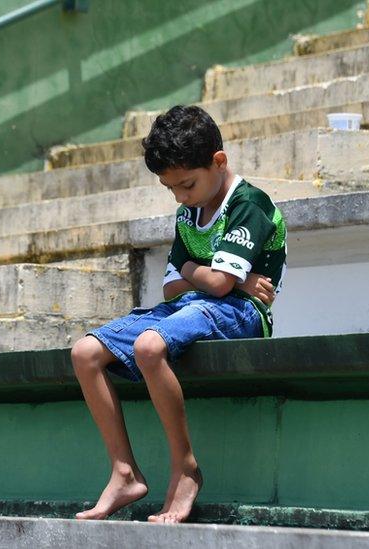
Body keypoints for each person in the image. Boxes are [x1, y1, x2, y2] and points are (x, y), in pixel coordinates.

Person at [71, 105, 287, 524]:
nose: (180, 196)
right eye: (171, 189)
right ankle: (124, 472)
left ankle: (185, 468)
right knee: (84, 353)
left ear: (218, 161)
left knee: (150, 346)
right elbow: (173, 286)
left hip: (242, 313)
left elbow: (222, 289)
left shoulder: (249, 204)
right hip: (190, 306)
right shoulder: (189, 210)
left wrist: (215, 277)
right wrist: (218, 275)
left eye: (186, 184)